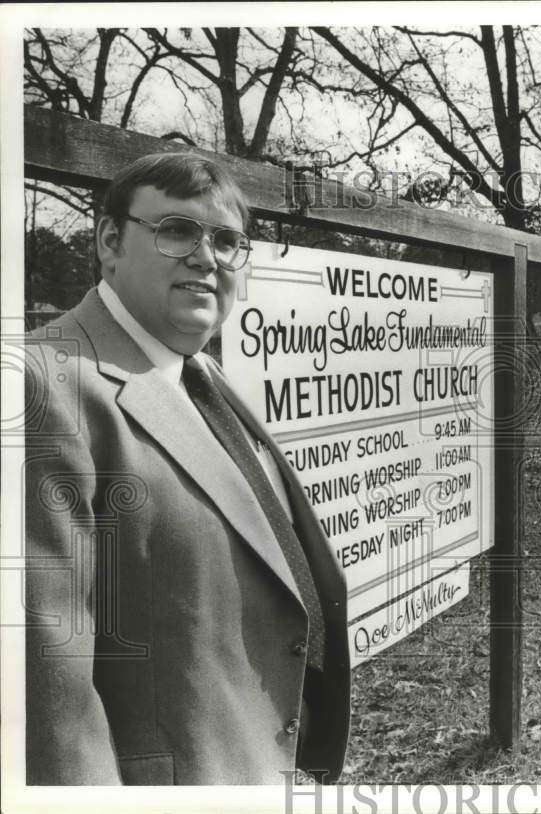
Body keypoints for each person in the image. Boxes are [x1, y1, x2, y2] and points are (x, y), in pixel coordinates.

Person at [23, 152, 350, 785]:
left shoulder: (199, 373)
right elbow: (47, 706)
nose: (207, 258)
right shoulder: (42, 386)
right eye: (178, 231)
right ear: (110, 241)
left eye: (229, 241)